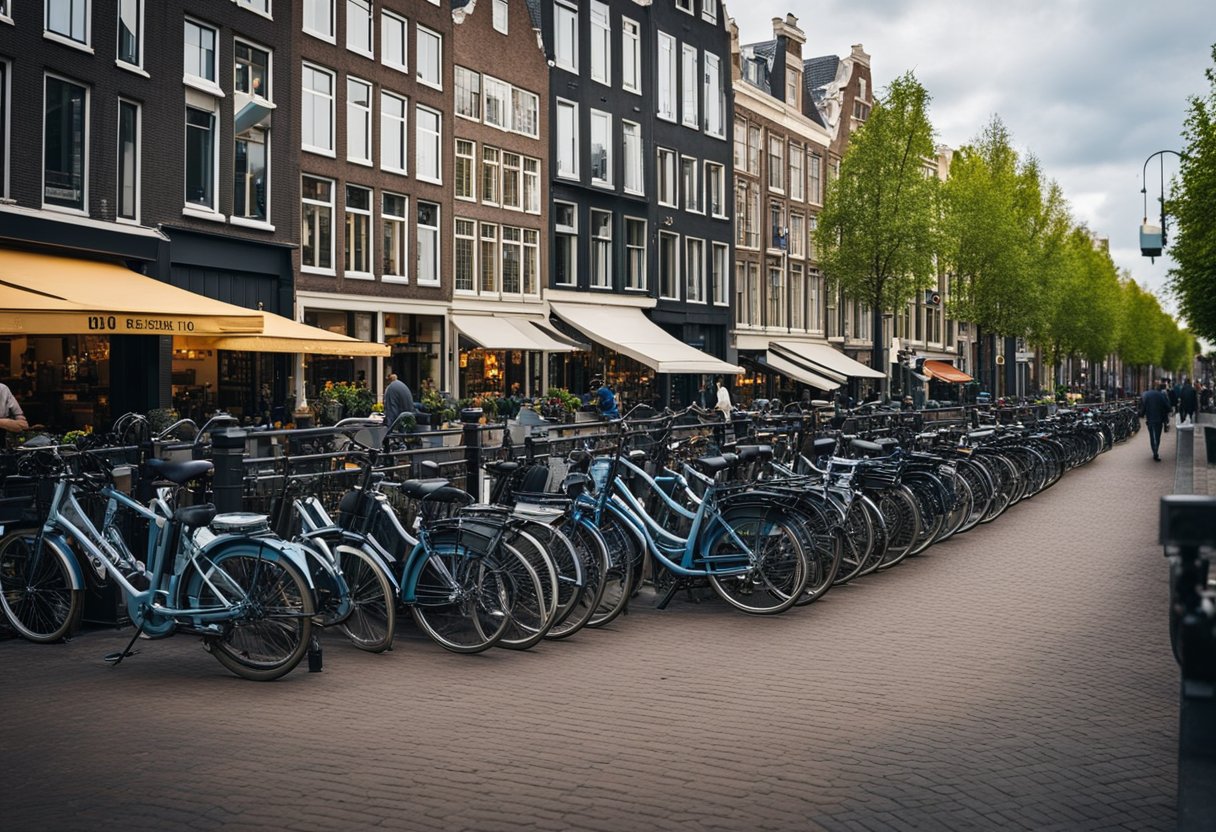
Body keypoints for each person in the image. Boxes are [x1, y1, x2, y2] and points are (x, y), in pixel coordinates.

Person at [1141, 382, 1171, 462]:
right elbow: (1168, 407)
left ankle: (1154, 450)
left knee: (1152, 435)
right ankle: (1156, 450)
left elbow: (1144, 406)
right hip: (1159, 419)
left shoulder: (1148, 395)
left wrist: (1141, 414)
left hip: (1150, 418)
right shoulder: (1162, 395)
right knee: (1157, 436)